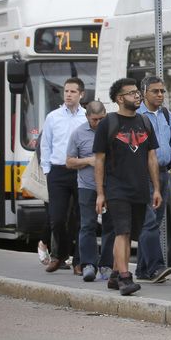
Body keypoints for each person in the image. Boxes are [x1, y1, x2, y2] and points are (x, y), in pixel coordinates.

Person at [94, 78, 162, 296]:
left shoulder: (144, 122)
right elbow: (99, 161)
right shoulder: (109, 123)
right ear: (119, 99)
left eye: (137, 92)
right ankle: (125, 277)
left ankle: (114, 274)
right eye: (132, 93)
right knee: (122, 232)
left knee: (131, 233)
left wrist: (157, 189)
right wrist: (100, 193)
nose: (137, 96)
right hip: (117, 189)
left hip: (140, 189)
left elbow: (152, 158)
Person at [134, 76, 171, 283]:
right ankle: (155, 267)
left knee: (156, 221)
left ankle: (142, 270)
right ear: (144, 93)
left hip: (163, 173)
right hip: (144, 175)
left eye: (162, 91)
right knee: (149, 221)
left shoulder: (166, 115)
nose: (160, 95)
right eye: (155, 91)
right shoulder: (136, 116)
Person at [40, 77, 86, 274]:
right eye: (66, 91)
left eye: (73, 91)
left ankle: (78, 261)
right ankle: (60, 255)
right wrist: (48, 170)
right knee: (57, 218)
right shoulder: (53, 117)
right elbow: (45, 145)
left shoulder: (86, 117)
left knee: (81, 218)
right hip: (58, 172)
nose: (68, 94)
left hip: (80, 170)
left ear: (81, 94)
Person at [66, 101, 115, 282]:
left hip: (110, 186)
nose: (99, 123)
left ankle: (106, 266)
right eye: (95, 119)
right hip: (87, 187)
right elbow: (69, 162)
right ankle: (88, 264)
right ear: (87, 117)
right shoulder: (78, 134)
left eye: (102, 118)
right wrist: (88, 161)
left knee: (110, 226)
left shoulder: (113, 131)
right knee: (88, 225)